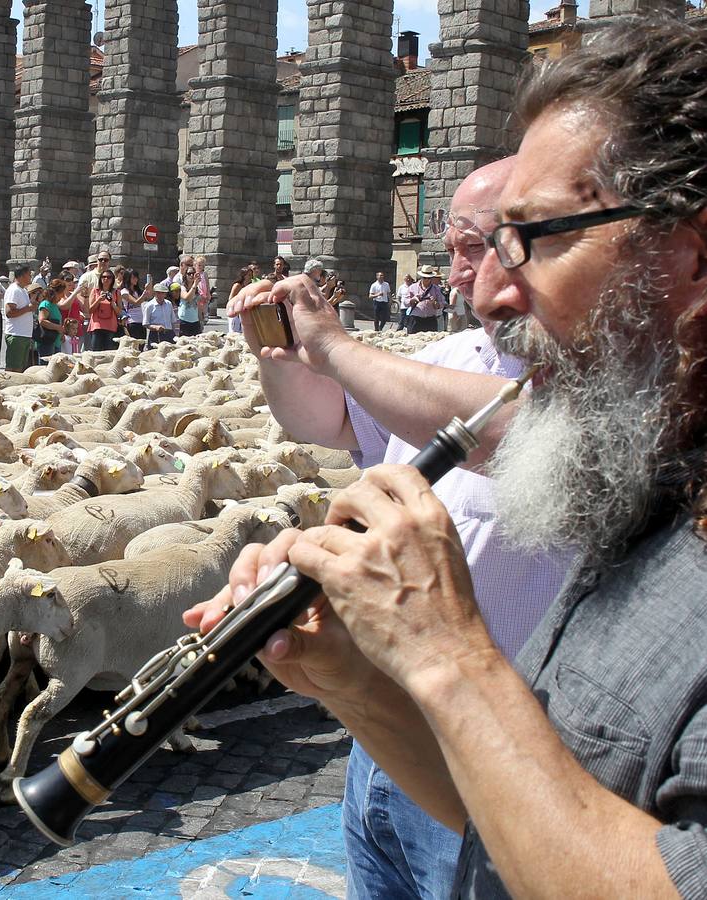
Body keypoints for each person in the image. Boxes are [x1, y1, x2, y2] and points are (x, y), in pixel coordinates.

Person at [195, 20, 707, 898]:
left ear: (694, 255)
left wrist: (448, 659)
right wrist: (356, 686)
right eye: (486, 243)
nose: (495, 293)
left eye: (536, 237)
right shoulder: (645, 492)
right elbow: (527, 827)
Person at [224, 154, 573, 899]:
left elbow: (522, 426)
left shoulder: (587, 387)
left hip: (508, 751)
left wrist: (340, 347)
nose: (457, 274)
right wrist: (283, 356)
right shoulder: (443, 356)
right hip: (383, 736)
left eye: (478, 247)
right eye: (450, 249)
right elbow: (327, 419)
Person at [3, 265, 38, 373]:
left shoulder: (22, 290)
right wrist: (28, 308)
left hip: (23, 335)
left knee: (20, 368)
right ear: (22, 275)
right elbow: (9, 312)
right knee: (13, 368)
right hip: (16, 335)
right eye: (29, 274)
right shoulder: (14, 290)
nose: (30, 276)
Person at [85, 267, 121, 352]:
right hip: (97, 325)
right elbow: (90, 310)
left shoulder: (116, 293)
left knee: (109, 353)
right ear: (100, 279)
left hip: (111, 326)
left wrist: (112, 302)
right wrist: (98, 300)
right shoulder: (95, 291)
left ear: (112, 280)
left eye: (109, 277)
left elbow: (119, 312)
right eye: (104, 277)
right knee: (95, 352)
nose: (106, 279)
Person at [35, 278, 69, 361]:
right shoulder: (46, 304)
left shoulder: (55, 305)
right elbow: (42, 321)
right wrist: (58, 327)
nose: (63, 296)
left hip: (56, 342)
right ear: (57, 292)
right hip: (47, 342)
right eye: (62, 293)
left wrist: (61, 333)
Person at [407, 266, 445, 333]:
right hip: (416, 318)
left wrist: (435, 303)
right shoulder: (412, 287)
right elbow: (405, 302)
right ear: (421, 277)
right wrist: (413, 299)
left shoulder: (436, 289)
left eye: (429, 278)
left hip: (430, 320)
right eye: (425, 278)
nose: (427, 280)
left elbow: (441, 303)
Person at [141, 279, 176, 347]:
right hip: (155, 334)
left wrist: (174, 334)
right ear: (154, 293)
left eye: (162, 293)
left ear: (165, 294)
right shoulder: (149, 305)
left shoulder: (169, 304)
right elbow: (145, 323)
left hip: (169, 333)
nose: (160, 295)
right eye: (158, 293)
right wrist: (155, 327)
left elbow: (173, 321)